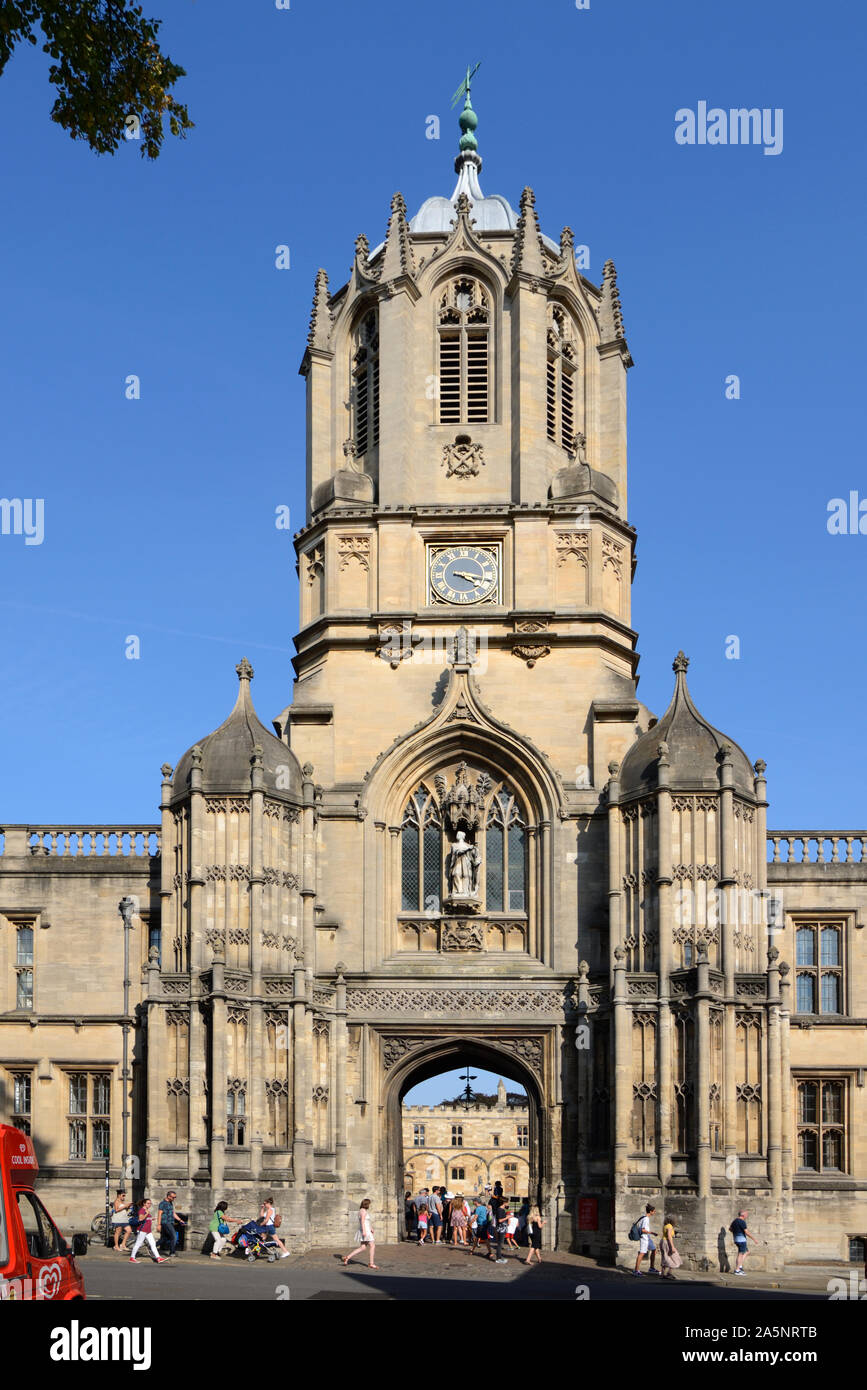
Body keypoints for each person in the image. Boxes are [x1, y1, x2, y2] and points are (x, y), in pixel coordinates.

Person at [342, 1198, 378, 1269]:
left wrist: (371, 1228)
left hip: (366, 1230)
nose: (369, 1205)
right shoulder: (363, 1211)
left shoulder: (361, 1211)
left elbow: (366, 1222)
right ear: (366, 1204)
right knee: (372, 1246)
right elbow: (362, 1221)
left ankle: (347, 1257)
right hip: (365, 1231)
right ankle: (371, 1263)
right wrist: (364, 1231)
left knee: (363, 1247)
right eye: (369, 1204)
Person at [129, 1199, 164, 1264]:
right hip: (142, 1230)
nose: (149, 1204)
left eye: (150, 1203)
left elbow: (145, 1219)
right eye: (148, 1203)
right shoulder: (142, 1210)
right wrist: (147, 1214)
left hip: (148, 1230)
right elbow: (141, 1219)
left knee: (153, 1244)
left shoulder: (146, 1210)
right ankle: (132, 1257)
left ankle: (158, 1258)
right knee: (138, 1244)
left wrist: (151, 1218)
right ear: (144, 1204)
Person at [156, 1189, 185, 1257]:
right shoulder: (162, 1203)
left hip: (171, 1222)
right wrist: (159, 1224)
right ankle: (172, 1252)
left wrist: (180, 1220)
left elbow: (173, 1213)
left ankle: (152, 1247)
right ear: (168, 1196)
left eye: (175, 1197)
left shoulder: (170, 1203)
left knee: (164, 1238)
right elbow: (159, 1214)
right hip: (166, 1222)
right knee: (174, 1236)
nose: (174, 1198)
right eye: (173, 1197)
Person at [633, 1204, 659, 1276]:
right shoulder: (646, 1219)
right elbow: (643, 1230)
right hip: (644, 1238)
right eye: (654, 1211)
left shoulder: (645, 1218)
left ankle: (651, 1268)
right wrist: (652, 1233)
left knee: (654, 1250)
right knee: (642, 1253)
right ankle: (636, 1270)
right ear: (650, 1211)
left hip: (647, 1237)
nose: (654, 1212)